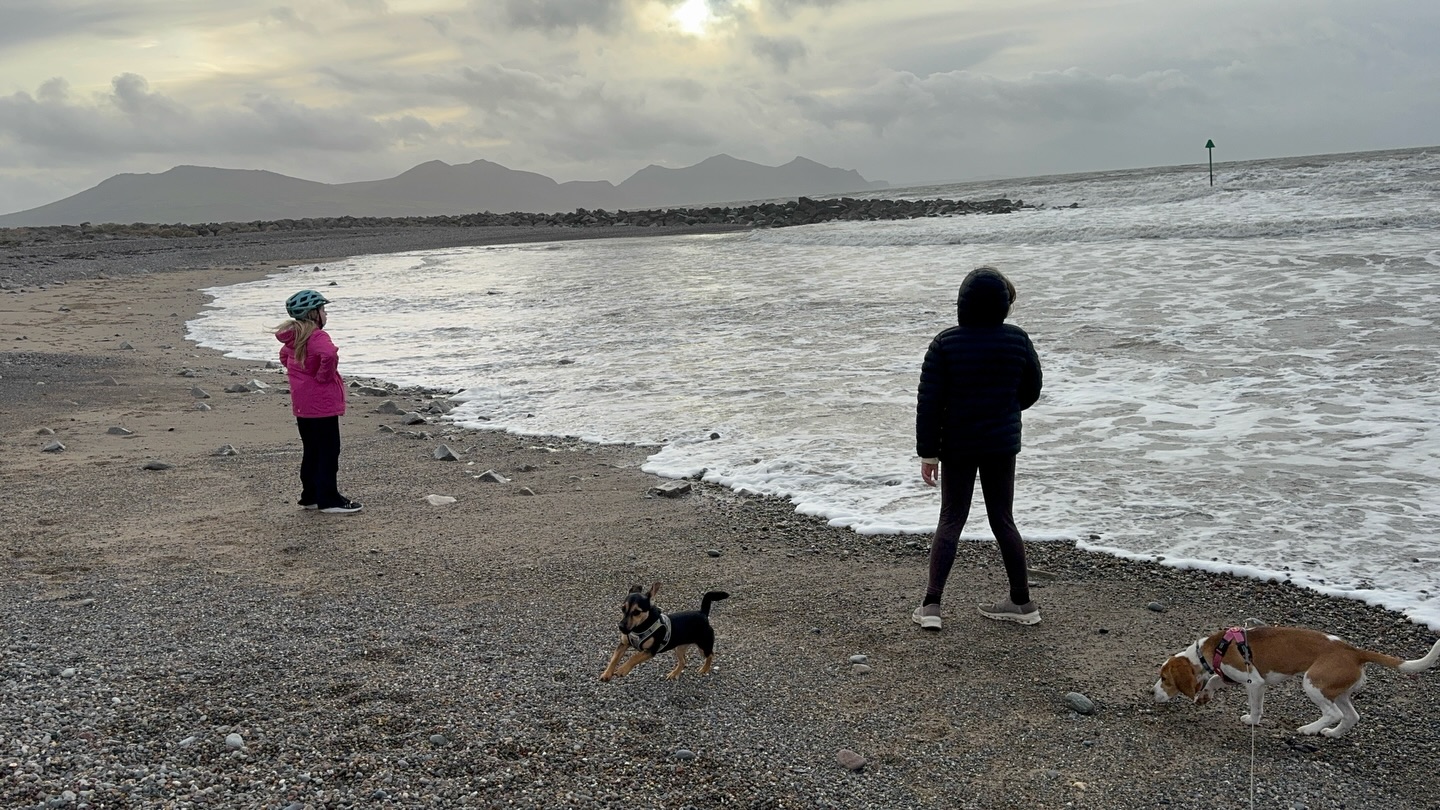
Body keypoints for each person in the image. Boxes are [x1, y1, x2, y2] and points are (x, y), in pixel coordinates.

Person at [912, 266, 1041, 629]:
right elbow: (1031, 390)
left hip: (957, 443)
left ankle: (932, 606)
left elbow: (929, 403)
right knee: (1003, 519)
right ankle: (1022, 602)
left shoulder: (945, 343)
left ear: (963, 303)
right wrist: (1003, 410)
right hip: (1001, 443)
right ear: (1003, 304)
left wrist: (928, 453)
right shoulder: (1017, 340)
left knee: (951, 518)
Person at [274, 289, 363, 515]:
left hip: (303, 405)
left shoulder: (294, 337)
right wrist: (323, 376)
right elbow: (330, 355)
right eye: (323, 309)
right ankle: (329, 500)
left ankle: (311, 495)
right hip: (322, 405)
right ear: (313, 314)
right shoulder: (317, 336)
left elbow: (284, 356)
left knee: (312, 450)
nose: (326, 314)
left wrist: (301, 374)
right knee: (328, 451)